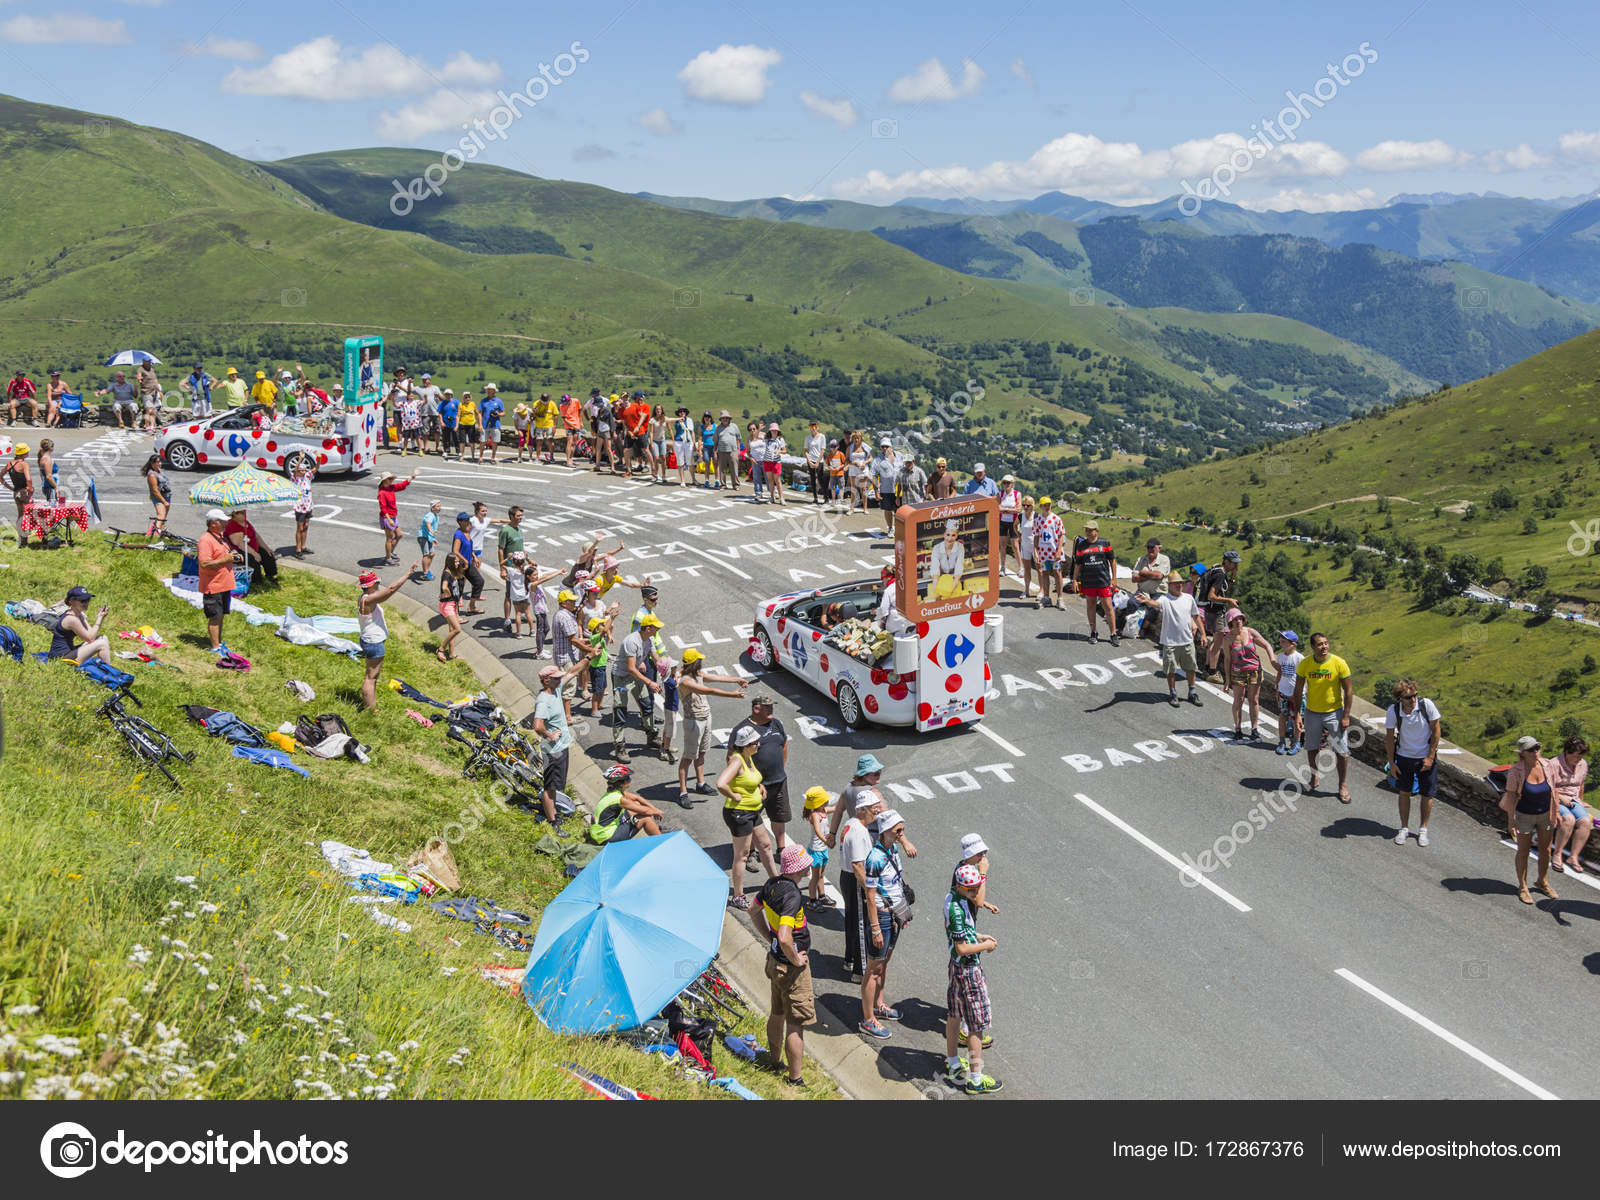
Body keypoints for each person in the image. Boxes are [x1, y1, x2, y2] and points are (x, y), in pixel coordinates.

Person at [750, 843, 817, 1089]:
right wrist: (797, 959)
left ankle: (773, 1060)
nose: (810, 865)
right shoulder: (793, 896)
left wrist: (769, 937)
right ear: (800, 867)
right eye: (806, 862)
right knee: (795, 1022)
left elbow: (753, 909)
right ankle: (795, 1079)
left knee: (776, 1013)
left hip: (774, 961)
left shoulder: (771, 884)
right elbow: (786, 936)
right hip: (791, 968)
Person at [943, 862, 1002, 1093]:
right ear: (959, 886)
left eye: (976, 888)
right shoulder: (957, 910)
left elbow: (962, 934)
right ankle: (976, 1079)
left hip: (955, 969)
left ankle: (952, 1063)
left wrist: (978, 935)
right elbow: (962, 948)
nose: (975, 893)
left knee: (954, 1013)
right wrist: (984, 945)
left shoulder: (952, 900)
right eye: (971, 889)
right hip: (968, 970)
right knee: (976, 1025)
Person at [859, 809, 911, 1040]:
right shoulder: (875, 858)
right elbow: (870, 895)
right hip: (880, 916)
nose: (902, 834)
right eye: (898, 830)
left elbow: (895, 884)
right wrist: (876, 928)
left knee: (885, 962)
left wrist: (901, 914)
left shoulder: (893, 848)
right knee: (873, 968)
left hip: (894, 914)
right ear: (885, 831)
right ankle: (868, 1019)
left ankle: (879, 1003)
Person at [674, 648, 748, 806]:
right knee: (688, 757)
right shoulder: (686, 681)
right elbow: (710, 690)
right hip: (693, 721)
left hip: (706, 718)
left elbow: (717, 678)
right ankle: (683, 792)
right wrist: (732, 695)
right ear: (694, 663)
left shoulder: (697, 674)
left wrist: (736, 679)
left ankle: (700, 784)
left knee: (701, 753)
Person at [1289, 632, 1355, 803]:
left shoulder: (1339, 663)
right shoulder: (1305, 664)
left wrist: (1346, 716)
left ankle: (1342, 785)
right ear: (1313, 647)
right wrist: (1297, 714)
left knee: (1341, 751)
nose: (1324, 647)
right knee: (1311, 747)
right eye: (1319, 644)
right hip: (1312, 712)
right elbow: (1297, 691)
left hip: (1335, 712)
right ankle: (1313, 778)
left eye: (1326, 643)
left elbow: (1348, 691)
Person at [719, 724, 777, 910]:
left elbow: (749, 779)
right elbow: (721, 783)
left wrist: (759, 787)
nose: (758, 744)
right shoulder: (736, 761)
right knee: (742, 855)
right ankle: (738, 895)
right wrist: (733, 795)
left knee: (766, 846)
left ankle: (776, 881)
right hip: (739, 814)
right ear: (745, 745)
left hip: (752, 811)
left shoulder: (748, 758)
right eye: (755, 742)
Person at [834, 780, 885, 982]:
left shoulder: (852, 824)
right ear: (863, 809)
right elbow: (857, 866)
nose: (877, 812)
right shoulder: (858, 831)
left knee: (852, 921)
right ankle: (859, 970)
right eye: (874, 809)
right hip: (855, 880)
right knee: (861, 924)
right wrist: (870, 889)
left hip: (848, 877)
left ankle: (849, 959)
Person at [1501, 735, 1560, 904]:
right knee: (1523, 851)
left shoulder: (1547, 765)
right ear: (1522, 753)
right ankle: (1523, 886)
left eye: (1537, 748)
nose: (1536, 752)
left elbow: (1554, 789)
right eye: (1531, 750)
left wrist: (1555, 813)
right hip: (1524, 815)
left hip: (1545, 814)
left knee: (1546, 850)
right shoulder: (1515, 772)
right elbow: (1511, 798)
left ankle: (1542, 881)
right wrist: (1511, 822)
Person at [731, 694, 791, 852]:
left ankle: (781, 849)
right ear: (756, 709)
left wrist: (780, 767)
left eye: (772, 706)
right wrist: (751, 780)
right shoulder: (742, 730)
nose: (771, 710)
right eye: (767, 707)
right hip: (755, 786)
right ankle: (750, 852)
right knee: (750, 820)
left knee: (779, 817)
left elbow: (784, 745)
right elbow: (733, 759)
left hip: (778, 781)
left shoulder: (776, 724)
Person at [1384, 679, 1441, 847]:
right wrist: (1391, 763)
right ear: (1400, 698)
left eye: (1415, 695)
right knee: (1404, 792)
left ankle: (1423, 829)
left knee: (1427, 794)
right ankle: (1404, 828)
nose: (1413, 700)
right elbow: (1389, 737)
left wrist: (1430, 757)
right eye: (1408, 697)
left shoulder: (1426, 705)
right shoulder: (1393, 711)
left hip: (1425, 757)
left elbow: (1437, 730)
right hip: (1404, 757)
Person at [1134, 571, 1204, 706]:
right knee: (1171, 670)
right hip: (1170, 642)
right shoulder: (1165, 599)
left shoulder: (1188, 598)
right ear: (1169, 585)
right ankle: (1173, 693)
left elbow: (1196, 616)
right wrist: (1147, 600)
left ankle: (1192, 692)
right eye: (1176, 583)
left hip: (1187, 641)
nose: (1179, 585)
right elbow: (1156, 604)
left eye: (1180, 583)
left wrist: (1204, 634)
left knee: (1191, 668)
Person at [356, 563, 418, 710]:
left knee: (371, 677)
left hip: (369, 640)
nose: (379, 585)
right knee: (370, 678)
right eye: (377, 583)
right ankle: (371, 710)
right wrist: (407, 574)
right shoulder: (368, 600)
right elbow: (390, 590)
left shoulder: (364, 597)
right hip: (374, 643)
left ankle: (370, 704)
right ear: (370, 585)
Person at [531, 663, 579, 828]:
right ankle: (553, 821)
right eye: (556, 677)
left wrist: (589, 656)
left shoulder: (556, 690)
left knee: (556, 784)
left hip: (561, 747)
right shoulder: (543, 701)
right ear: (546, 681)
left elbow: (572, 672)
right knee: (550, 787)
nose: (560, 679)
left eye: (560, 677)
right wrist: (549, 735)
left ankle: (553, 812)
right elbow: (537, 725)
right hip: (553, 751)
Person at [612, 613, 665, 760]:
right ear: (648, 628)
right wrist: (650, 682)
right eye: (655, 628)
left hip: (636, 677)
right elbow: (631, 668)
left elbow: (656, 659)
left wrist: (667, 671)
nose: (657, 630)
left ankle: (651, 736)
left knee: (646, 704)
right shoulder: (632, 641)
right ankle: (619, 745)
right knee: (620, 710)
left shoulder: (649, 639)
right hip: (622, 678)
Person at [1222, 609, 1273, 740]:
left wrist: (1272, 660)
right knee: (1238, 700)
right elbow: (1227, 660)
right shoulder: (1227, 639)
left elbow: (1267, 645)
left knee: (1254, 700)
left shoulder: (1250, 632)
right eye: (1235, 619)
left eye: (1240, 618)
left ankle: (1254, 729)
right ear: (1230, 622)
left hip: (1254, 670)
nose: (1238, 621)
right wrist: (1227, 680)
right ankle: (1238, 729)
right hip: (1238, 672)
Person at [197, 508, 241, 654]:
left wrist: (233, 556)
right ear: (213, 523)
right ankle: (215, 648)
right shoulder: (205, 540)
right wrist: (225, 559)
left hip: (224, 584)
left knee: (221, 615)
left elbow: (224, 555)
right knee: (214, 617)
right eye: (222, 522)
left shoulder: (220, 537)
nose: (225, 524)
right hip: (213, 585)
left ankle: (219, 643)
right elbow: (204, 564)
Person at [1069, 518, 1119, 644]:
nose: (1088, 532)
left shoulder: (1105, 543)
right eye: (1086, 530)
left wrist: (1114, 578)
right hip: (1088, 581)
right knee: (1090, 606)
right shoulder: (1081, 546)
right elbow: (1078, 564)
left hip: (1103, 581)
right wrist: (1074, 580)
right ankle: (1093, 632)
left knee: (1108, 606)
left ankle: (1113, 633)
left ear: (1097, 531)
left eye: (1090, 530)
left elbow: (1112, 561)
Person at [1550, 736, 1593, 875]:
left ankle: (1573, 857)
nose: (1579, 760)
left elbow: (1581, 783)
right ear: (1567, 753)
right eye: (1576, 757)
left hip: (1573, 799)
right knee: (1568, 819)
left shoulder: (1583, 764)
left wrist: (1581, 799)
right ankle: (1557, 853)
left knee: (1586, 822)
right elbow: (1547, 786)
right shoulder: (1554, 764)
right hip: (1555, 797)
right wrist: (1561, 798)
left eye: (1580, 757)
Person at [589, 764, 663, 844]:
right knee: (646, 818)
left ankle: (654, 830)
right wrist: (657, 812)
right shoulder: (618, 799)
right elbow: (645, 811)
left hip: (599, 833)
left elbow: (637, 798)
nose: (630, 780)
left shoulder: (614, 792)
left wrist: (654, 809)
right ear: (622, 783)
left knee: (636, 804)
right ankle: (661, 842)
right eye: (628, 778)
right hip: (606, 838)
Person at [1199, 551, 1241, 683]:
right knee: (1218, 644)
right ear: (1226, 561)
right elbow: (1212, 596)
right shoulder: (1220, 574)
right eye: (1234, 563)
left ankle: (1206, 669)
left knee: (1214, 642)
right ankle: (1212, 672)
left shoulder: (1216, 569)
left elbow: (1222, 590)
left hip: (1209, 610)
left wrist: (1233, 578)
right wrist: (1229, 601)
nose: (1235, 566)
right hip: (1217, 612)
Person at [551, 589, 592, 720]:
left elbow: (572, 637)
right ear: (564, 603)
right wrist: (589, 650)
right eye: (571, 601)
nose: (574, 602)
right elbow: (573, 640)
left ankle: (565, 713)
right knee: (569, 687)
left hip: (563, 655)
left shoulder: (563, 615)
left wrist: (584, 641)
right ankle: (567, 717)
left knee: (566, 686)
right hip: (566, 658)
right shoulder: (565, 617)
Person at [47, 586, 111, 665]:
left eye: (88, 600)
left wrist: (100, 617)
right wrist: (99, 619)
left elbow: (91, 634)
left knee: (103, 637)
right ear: (71, 601)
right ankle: (108, 671)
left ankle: (105, 669)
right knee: (102, 644)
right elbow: (90, 639)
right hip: (59, 658)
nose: (86, 603)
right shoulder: (71, 619)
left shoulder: (79, 615)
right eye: (83, 601)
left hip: (69, 652)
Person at [224, 507, 278, 587]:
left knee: (267, 554)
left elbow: (256, 536)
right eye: (242, 513)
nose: (245, 514)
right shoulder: (231, 524)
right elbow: (239, 543)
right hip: (240, 550)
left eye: (245, 512)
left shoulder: (246, 522)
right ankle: (257, 582)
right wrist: (254, 553)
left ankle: (271, 576)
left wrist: (267, 548)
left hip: (252, 547)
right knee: (252, 559)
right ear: (234, 514)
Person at [800, 787, 833, 909]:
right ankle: (812, 900)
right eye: (825, 800)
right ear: (820, 802)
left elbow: (837, 808)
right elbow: (818, 831)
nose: (828, 801)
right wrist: (826, 841)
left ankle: (822, 896)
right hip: (816, 851)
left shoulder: (824, 810)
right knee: (815, 877)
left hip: (823, 850)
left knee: (821, 874)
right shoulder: (815, 815)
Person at [1273, 631, 1305, 755]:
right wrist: (1277, 686)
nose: (1281, 644)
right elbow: (1280, 672)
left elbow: (1302, 678)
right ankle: (1281, 742)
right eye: (1280, 641)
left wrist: (1298, 693)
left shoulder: (1299, 658)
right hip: (1283, 692)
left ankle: (1296, 742)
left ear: (1293, 644)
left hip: (1296, 694)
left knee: (1297, 719)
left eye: (1283, 642)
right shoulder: (1280, 657)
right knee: (1282, 717)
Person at [376, 469, 416, 565]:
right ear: (384, 481)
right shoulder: (381, 493)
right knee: (389, 538)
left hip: (393, 516)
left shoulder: (391, 487)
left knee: (399, 535)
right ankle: (388, 558)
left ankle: (390, 553)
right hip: (387, 518)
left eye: (391, 478)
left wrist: (413, 476)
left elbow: (402, 485)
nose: (391, 480)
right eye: (389, 479)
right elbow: (383, 508)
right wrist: (389, 520)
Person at [496, 505, 527, 630]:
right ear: (511, 516)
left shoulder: (519, 529)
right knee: (509, 594)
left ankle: (522, 613)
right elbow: (500, 550)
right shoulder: (505, 531)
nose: (521, 518)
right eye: (518, 516)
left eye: (521, 516)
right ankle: (507, 619)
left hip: (521, 567)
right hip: (510, 568)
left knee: (523, 591)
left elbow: (521, 547)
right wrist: (502, 568)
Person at [1032, 496, 1065, 608]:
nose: (1047, 507)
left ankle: (1060, 598)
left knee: (1057, 573)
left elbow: (1061, 535)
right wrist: (1036, 551)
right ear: (1040, 506)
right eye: (1044, 505)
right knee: (1045, 573)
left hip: (1054, 551)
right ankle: (1046, 597)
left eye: (1048, 505)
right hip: (1043, 552)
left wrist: (1059, 550)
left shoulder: (1056, 519)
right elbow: (1036, 536)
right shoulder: (1037, 520)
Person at [451, 510, 485, 615]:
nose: (468, 522)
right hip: (459, 566)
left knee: (479, 581)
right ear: (460, 522)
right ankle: (455, 614)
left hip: (468, 564)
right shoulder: (458, 534)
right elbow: (455, 551)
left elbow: (470, 546)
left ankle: (471, 606)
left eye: (468, 520)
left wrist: (474, 556)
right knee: (459, 589)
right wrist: (465, 560)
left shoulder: (467, 532)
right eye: (466, 520)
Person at [926, 519, 969, 601]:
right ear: (944, 535)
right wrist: (935, 584)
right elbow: (935, 566)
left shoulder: (960, 547)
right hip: (940, 580)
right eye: (948, 535)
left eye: (953, 535)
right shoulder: (937, 548)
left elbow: (959, 566)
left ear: (957, 536)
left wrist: (953, 586)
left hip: (953, 579)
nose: (950, 538)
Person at [436, 550, 467, 662]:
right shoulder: (447, 573)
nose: (458, 563)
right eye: (456, 562)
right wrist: (447, 593)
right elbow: (444, 587)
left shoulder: (453, 572)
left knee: (452, 630)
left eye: (458, 562)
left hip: (452, 604)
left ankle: (452, 655)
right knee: (457, 629)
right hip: (447, 605)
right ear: (450, 562)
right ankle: (441, 649)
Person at [870, 437, 899, 529]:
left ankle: (900, 529)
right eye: (883, 447)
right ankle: (890, 528)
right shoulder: (878, 460)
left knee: (899, 511)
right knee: (888, 510)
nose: (885, 448)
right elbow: (873, 476)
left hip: (899, 489)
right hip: (886, 490)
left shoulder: (900, 456)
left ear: (891, 447)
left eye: (887, 446)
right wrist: (876, 492)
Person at [140, 453, 171, 536]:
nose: (160, 463)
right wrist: (164, 502)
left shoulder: (159, 471)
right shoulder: (151, 475)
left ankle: (162, 533)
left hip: (166, 496)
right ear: (152, 464)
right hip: (159, 498)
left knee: (163, 518)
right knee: (161, 516)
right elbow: (155, 490)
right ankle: (153, 535)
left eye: (160, 461)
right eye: (157, 462)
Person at [290, 459, 316, 557]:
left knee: (306, 526)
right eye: (301, 470)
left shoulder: (307, 477)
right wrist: (300, 459)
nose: (303, 472)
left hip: (308, 505)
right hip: (299, 506)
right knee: (299, 528)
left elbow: (315, 469)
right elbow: (295, 471)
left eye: (304, 470)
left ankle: (303, 547)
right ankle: (298, 549)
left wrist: (319, 459)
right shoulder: (295, 479)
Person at [997, 475, 1021, 575]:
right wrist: (1011, 510)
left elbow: (1019, 509)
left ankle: (1020, 568)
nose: (1006, 485)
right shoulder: (1000, 494)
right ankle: (1002, 567)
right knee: (1002, 545)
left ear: (1012, 484)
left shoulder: (1017, 494)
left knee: (1015, 546)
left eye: (1008, 483)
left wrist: (1005, 510)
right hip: (1002, 522)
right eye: (1004, 483)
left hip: (1013, 522)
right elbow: (998, 508)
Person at [589, 390, 616, 474]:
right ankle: (597, 466)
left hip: (606, 431)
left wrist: (613, 432)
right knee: (598, 449)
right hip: (601, 431)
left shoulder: (606, 410)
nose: (596, 406)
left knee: (608, 449)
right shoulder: (600, 410)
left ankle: (612, 468)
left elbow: (606, 420)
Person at [713, 410, 740, 491]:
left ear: (729, 419)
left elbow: (738, 438)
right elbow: (715, 441)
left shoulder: (734, 426)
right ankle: (723, 485)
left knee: (734, 469)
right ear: (721, 419)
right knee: (722, 469)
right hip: (721, 451)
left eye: (727, 418)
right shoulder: (718, 429)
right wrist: (715, 452)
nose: (725, 419)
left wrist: (738, 450)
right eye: (723, 418)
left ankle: (736, 485)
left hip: (733, 451)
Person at [1016, 495, 1036, 600]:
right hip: (1024, 546)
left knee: (1040, 569)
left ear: (1032, 506)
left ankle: (1042, 591)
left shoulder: (1036, 516)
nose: (1025, 507)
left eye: (1027, 505)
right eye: (1023, 505)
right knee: (1027, 569)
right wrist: (1019, 535)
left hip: (1036, 546)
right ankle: (1026, 590)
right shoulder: (1021, 516)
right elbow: (1015, 526)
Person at [802, 420, 827, 504]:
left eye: (815, 427)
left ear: (818, 427)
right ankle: (815, 498)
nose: (813, 428)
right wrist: (809, 461)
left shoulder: (822, 436)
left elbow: (823, 450)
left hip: (819, 460)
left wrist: (817, 462)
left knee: (820, 479)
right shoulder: (808, 437)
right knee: (812, 479)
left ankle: (826, 497)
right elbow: (805, 450)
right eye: (812, 427)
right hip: (810, 460)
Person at [671, 406, 697, 487]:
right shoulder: (676, 421)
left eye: (683, 411)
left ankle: (693, 479)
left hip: (688, 442)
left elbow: (692, 432)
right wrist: (678, 419)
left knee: (690, 462)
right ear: (678, 413)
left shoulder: (689, 420)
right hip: (679, 442)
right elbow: (668, 420)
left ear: (686, 413)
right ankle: (682, 480)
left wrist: (694, 443)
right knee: (680, 462)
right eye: (680, 411)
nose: (682, 413)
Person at [416, 499, 441, 580]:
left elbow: (432, 527)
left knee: (432, 553)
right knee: (426, 555)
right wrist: (431, 530)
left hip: (428, 537)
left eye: (440, 506)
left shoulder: (436, 516)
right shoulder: (430, 515)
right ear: (432, 508)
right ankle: (425, 573)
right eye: (437, 506)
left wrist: (433, 538)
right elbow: (428, 523)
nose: (439, 508)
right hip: (423, 537)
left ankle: (427, 570)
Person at [763, 421, 787, 504]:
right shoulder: (766, 439)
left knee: (778, 480)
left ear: (778, 431)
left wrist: (779, 451)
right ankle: (772, 497)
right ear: (770, 431)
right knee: (770, 480)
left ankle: (781, 498)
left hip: (776, 462)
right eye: (773, 430)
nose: (774, 431)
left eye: (776, 430)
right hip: (767, 461)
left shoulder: (780, 439)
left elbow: (784, 450)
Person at [846, 430, 870, 513]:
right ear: (852, 439)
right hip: (853, 469)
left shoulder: (865, 447)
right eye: (855, 438)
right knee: (853, 489)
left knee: (863, 489)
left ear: (861, 439)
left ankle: (865, 508)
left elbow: (870, 458)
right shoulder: (850, 448)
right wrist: (854, 463)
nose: (856, 440)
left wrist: (865, 463)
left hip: (863, 469)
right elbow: (847, 460)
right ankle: (851, 508)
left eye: (858, 438)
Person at [480, 384, 505, 463]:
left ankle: (493, 457)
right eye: (488, 389)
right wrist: (480, 424)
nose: (489, 391)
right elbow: (480, 413)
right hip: (485, 424)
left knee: (495, 442)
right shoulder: (483, 401)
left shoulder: (499, 401)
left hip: (495, 424)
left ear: (494, 391)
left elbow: (504, 413)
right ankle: (480, 457)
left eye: (491, 389)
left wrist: (497, 414)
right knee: (482, 441)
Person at [528, 392, 555, 464]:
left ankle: (552, 457)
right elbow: (533, 415)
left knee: (550, 440)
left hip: (549, 424)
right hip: (539, 425)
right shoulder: (536, 404)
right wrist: (534, 414)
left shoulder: (552, 404)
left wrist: (554, 426)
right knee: (539, 441)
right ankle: (537, 457)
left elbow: (555, 415)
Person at [136, 361, 163, 430]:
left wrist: (159, 391)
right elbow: (139, 376)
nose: (149, 363)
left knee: (153, 410)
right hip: (146, 393)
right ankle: (148, 426)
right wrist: (139, 380)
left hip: (153, 393)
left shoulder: (152, 370)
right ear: (144, 362)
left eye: (149, 362)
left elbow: (155, 381)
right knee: (148, 410)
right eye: (147, 362)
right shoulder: (141, 369)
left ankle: (152, 426)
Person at [559, 393, 584, 467]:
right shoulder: (562, 406)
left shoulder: (576, 401)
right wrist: (574, 426)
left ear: (569, 400)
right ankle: (568, 461)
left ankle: (571, 459)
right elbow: (565, 419)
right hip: (568, 426)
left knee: (574, 443)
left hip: (576, 424)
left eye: (566, 402)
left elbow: (579, 411)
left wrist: (581, 422)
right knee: (569, 442)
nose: (565, 404)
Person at [456, 390, 480, 464]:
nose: (467, 398)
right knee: (462, 441)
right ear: (463, 398)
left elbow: (477, 413)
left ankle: (473, 456)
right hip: (462, 424)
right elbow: (458, 415)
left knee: (472, 441)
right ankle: (462, 455)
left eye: (468, 397)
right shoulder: (461, 404)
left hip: (471, 424)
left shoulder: (473, 404)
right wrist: (456, 425)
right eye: (466, 397)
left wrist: (480, 424)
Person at [648, 403, 669, 483]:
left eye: (659, 409)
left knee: (663, 457)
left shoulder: (664, 419)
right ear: (655, 411)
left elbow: (670, 429)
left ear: (662, 410)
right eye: (657, 409)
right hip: (655, 441)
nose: (658, 411)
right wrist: (651, 443)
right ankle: (655, 474)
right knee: (656, 458)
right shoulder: (652, 420)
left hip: (662, 440)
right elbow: (651, 432)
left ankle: (664, 475)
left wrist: (673, 439)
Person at [438, 389, 460, 459]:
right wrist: (441, 422)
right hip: (445, 423)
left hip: (454, 423)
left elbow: (458, 413)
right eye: (446, 394)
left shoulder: (456, 402)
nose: (448, 396)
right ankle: (446, 451)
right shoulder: (442, 403)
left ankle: (458, 451)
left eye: (449, 394)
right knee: (445, 438)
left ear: (452, 395)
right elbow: (440, 413)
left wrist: (457, 424)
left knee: (456, 437)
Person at [825, 439, 847, 507]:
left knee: (841, 487)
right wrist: (830, 468)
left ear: (837, 446)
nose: (833, 448)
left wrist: (839, 468)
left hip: (840, 473)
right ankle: (833, 500)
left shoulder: (841, 454)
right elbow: (827, 464)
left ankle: (841, 499)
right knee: (833, 488)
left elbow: (844, 463)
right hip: (832, 474)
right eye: (831, 446)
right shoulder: (829, 456)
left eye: (834, 446)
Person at [36, 441, 56, 505]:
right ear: (51, 448)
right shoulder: (47, 459)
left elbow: (42, 474)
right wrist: (56, 487)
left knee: (51, 505)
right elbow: (48, 476)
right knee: (52, 507)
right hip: (50, 486)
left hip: (47, 485)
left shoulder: (43, 458)